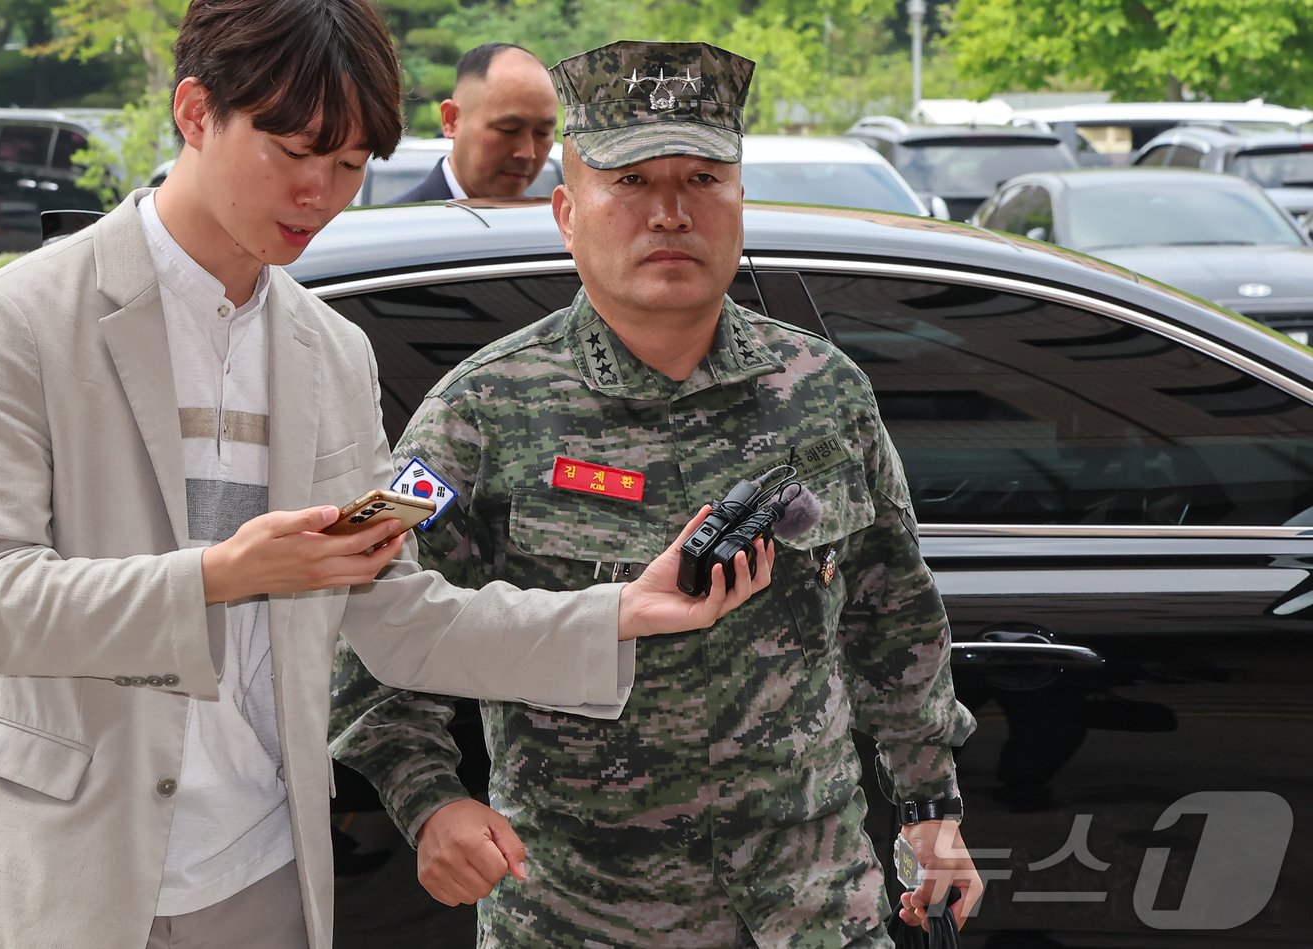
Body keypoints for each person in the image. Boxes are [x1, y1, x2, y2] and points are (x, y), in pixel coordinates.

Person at [0, 8, 772, 947]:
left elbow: (397, 616)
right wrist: (222, 574)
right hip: (58, 865)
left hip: (261, 867)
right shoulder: (23, 318)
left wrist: (621, 613)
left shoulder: (331, 352)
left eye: (354, 164)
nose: (320, 192)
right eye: (293, 151)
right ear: (195, 112)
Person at [331, 39, 981, 948]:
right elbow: (358, 613)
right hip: (580, 915)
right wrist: (430, 802)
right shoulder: (475, 412)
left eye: (703, 178)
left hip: (814, 910)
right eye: (630, 181)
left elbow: (893, 614)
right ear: (565, 212)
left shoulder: (825, 391)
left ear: (740, 204)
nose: (671, 212)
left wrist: (930, 810)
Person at [389, 42, 557, 203]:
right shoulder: (397, 227)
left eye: (543, 133)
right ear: (451, 119)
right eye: (509, 129)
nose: (527, 153)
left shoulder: (554, 227)